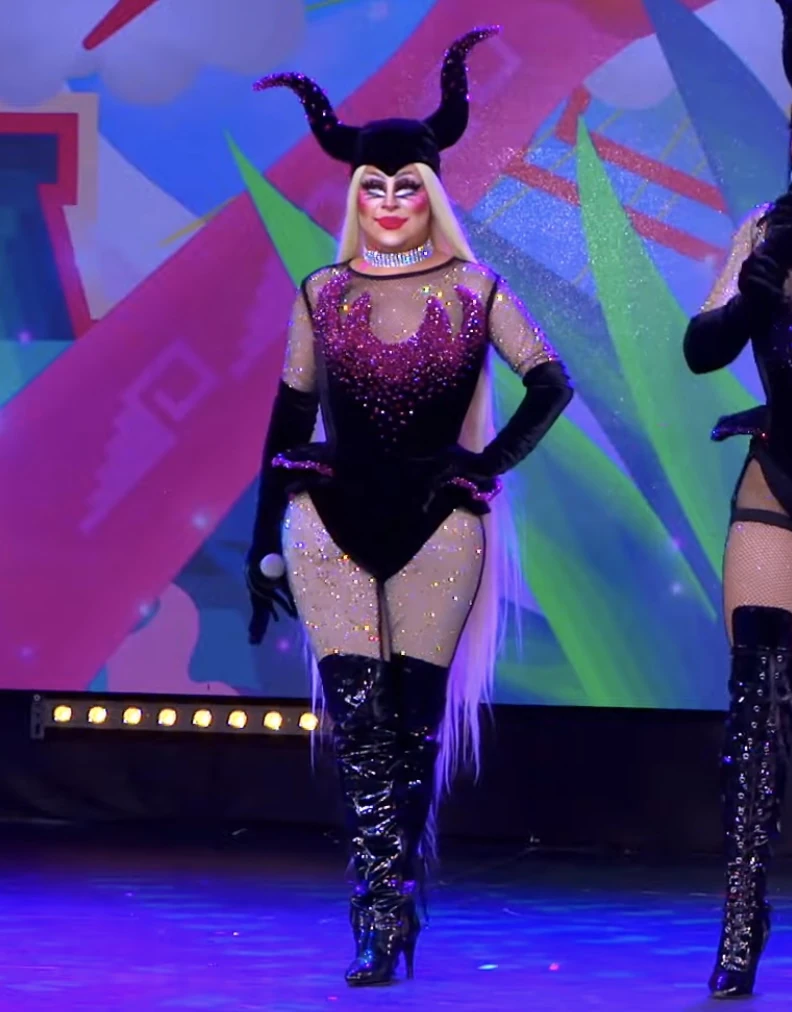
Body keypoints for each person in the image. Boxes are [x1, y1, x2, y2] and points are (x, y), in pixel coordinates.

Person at [244, 26, 573, 988]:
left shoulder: (475, 289)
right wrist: (261, 540)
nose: (388, 203)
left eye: (405, 187)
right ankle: (378, 918)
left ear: (431, 192)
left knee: (413, 727)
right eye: (373, 188)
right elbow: (287, 418)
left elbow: (550, 383)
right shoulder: (323, 292)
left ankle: (393, 906)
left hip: (438, 522)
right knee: (358, 727)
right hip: (328, 520)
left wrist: (482, 464)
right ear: (355, 196)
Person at [683, 0, 792, 998]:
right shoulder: (764, 230)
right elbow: (700, 347)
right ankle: (740, 917)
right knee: (757, 709)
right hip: (781, 478)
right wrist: (757, 281)